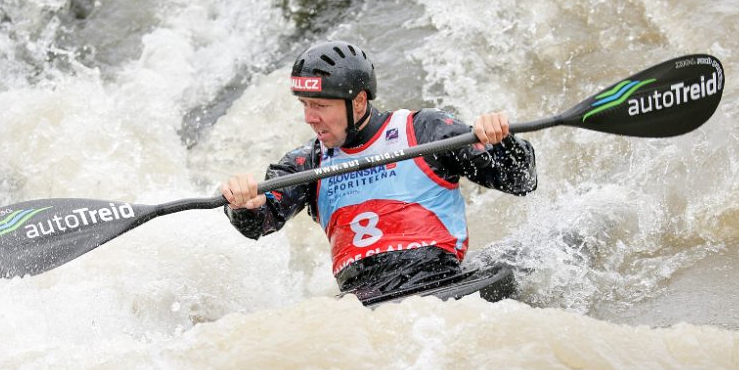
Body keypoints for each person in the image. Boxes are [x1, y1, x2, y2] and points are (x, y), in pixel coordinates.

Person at [220, 40, 537, 298]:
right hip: (362, 300)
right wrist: (244, 204)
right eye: (304, 104)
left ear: (357, 102)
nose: (309, 117)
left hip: (441, 283)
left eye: (320, 106)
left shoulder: (425, 131)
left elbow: (520, 179)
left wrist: (503, 141)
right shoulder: (307, 163)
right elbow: (258, 223)